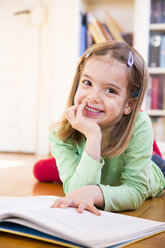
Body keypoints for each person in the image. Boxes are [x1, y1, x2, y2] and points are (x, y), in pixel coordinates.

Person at [36, 41, 165, 215]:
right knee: (40, 170)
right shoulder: (59, 135)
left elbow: (135, 192)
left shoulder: (139, 125)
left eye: (110, 90)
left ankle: (149, 148)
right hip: (106, 160)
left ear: (129, 104)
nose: (93, 97)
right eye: (87, 82)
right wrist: (93, 137)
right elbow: (78, 193)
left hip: (154, 169)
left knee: (141, 130)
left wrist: (94, 193)